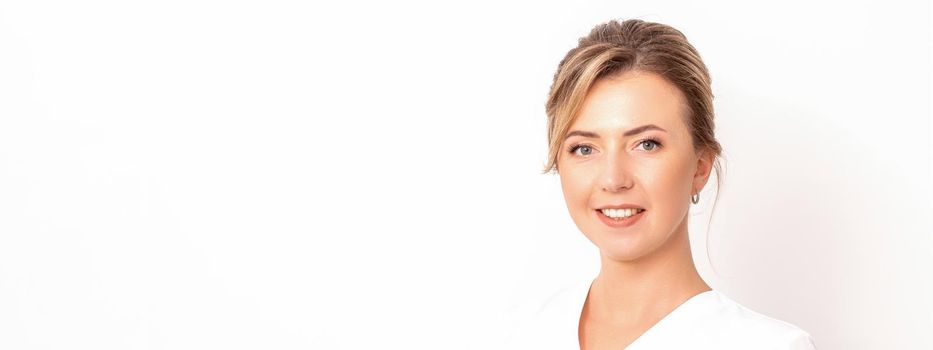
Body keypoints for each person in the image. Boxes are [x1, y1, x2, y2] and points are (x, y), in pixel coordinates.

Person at [504, 19, 817, 349]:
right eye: (584, 148)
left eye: (646, 144)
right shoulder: (523, 333)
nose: (613, 179)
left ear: (700, 167)